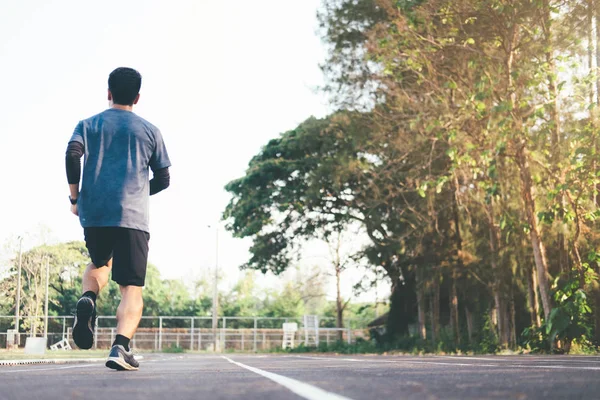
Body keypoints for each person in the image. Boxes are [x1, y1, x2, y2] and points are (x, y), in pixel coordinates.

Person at [65, 67, 171, 371]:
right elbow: (163, 178)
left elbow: (72, 155)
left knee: (99, 264)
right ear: (137, 97)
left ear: (108, 92)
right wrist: (138, 192)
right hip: (133, 219)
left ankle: (88, 298)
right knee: (130, 288)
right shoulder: (150, 130)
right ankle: (120, 347)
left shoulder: (88, 124)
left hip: (95, 213)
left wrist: (76, 198)